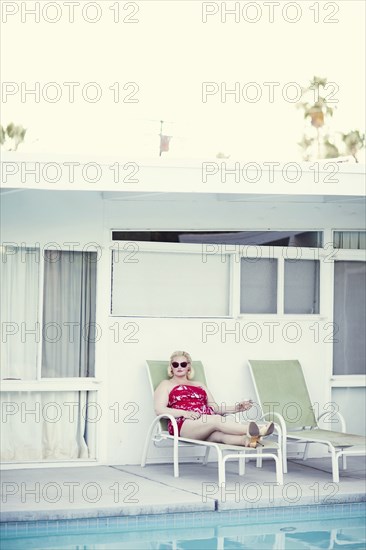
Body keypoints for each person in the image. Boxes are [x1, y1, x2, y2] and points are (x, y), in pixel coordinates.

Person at [154, 351, 274, 448]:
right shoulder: (166, 384)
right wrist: (185, 413)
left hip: (206, 421)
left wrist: (237, 408)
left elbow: (214, 408)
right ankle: (257, 430)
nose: (179, 367)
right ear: (171, 367)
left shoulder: (199, 385)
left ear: (188, 367)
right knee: (216, 420)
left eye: (183, 364)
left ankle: (248, 441)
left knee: (219, 436)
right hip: (184, 424)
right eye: (175, 364)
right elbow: (159, 409)